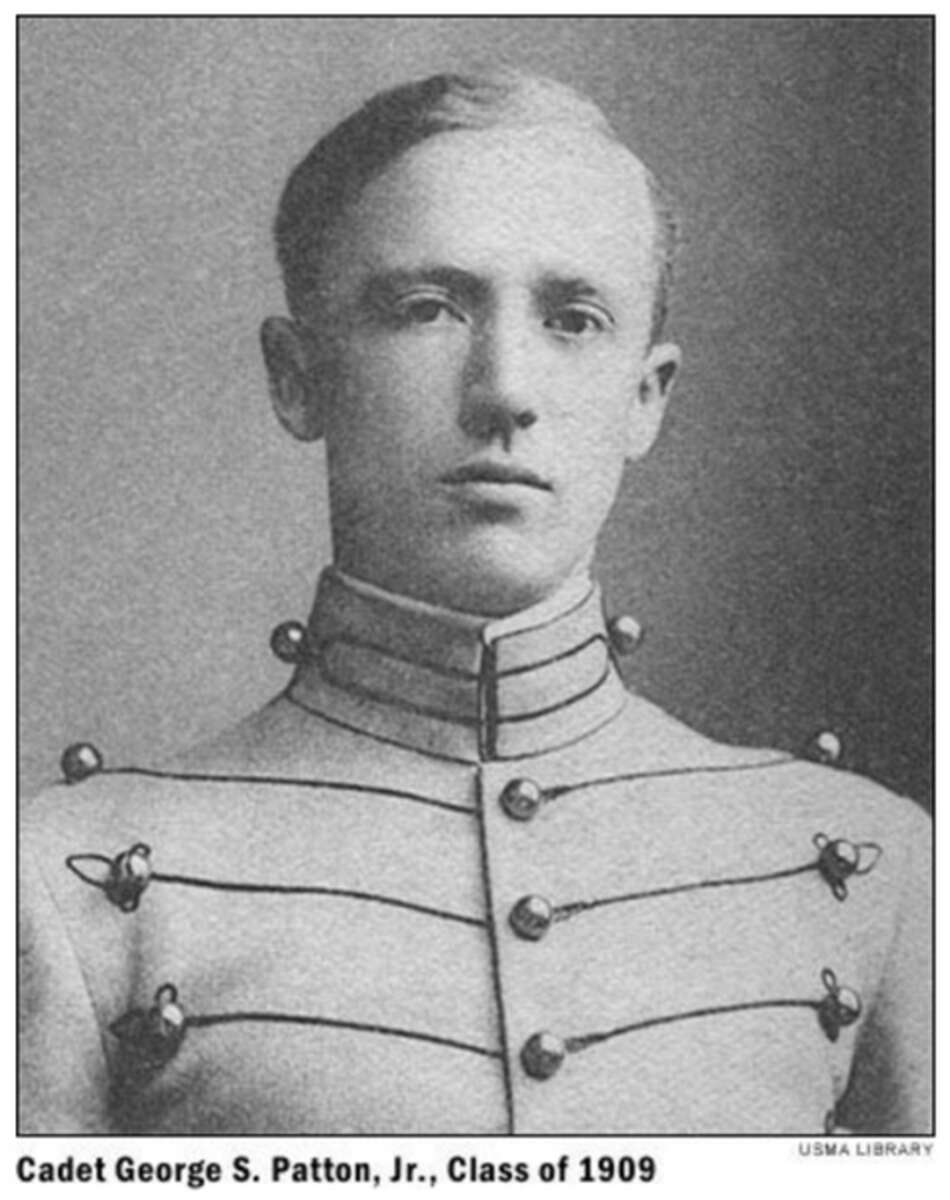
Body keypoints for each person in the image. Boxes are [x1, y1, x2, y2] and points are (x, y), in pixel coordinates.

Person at [19, 70, 931, 1135]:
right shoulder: (67, 880)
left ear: (645, 397)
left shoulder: (866, 867)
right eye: (425, 309)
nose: (503, 390)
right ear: (296, 375)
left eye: (574, 318)